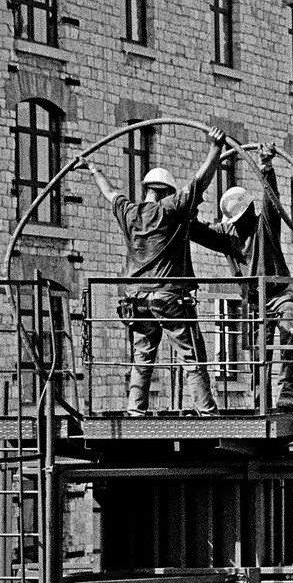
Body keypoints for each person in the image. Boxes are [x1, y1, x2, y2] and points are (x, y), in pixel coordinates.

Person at [75, 128, 227, 415]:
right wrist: (215, 149)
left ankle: (135, 410)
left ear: (145, 189)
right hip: (167, 297)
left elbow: (110, 193)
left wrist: (93, 169)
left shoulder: (129, 212)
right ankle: (207, 411)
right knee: (190, 354)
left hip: (135, 301)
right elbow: (200, 182)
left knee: (142, 356)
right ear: (166, 192)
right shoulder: (169, 209)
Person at [194, 144, 293, 412]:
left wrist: (266, 166)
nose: (242, 224)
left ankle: (286, 393)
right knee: (259, 353)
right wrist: (186, 203)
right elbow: (197, 232)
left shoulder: (265, 224)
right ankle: (261, 401)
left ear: (251, 210)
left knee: (288, 332)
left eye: (244, 218)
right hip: (254, 301)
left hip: (279, 294)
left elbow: (271, 200)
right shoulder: (227, 236)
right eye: (237, 221)